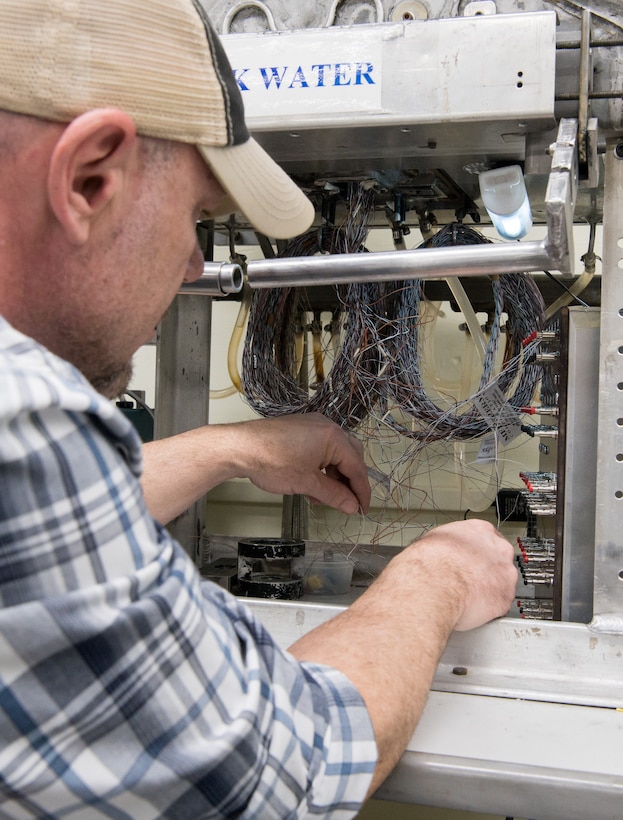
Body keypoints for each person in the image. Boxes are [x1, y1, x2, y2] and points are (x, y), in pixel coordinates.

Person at [0, 0, 518, 817]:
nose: (194, 264)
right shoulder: (27, 418)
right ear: (88, 177)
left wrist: (222, 449)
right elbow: (285, 764)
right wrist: (437, 574)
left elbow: (26, 537)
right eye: (198, 218)